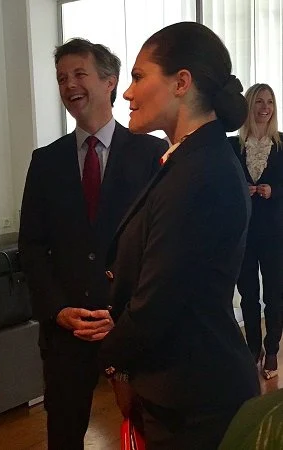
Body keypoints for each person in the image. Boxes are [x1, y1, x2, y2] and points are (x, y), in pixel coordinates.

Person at [98, 22, 261, 450]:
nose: (127, 93)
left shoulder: (202, 171)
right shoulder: (186, 159)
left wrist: (102, 359)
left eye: (137, 77)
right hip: (178, 390)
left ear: (181, 82)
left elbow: (158, 302)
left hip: (197, 401)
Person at [18, 38, 167, 450]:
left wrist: (127, 311)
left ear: (109, 82)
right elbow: (31, 247)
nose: (69, 85)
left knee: (147, 433)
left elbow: (160, 245)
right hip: (68, 332)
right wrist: (58, 310)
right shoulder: (45, 161)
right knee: (63, 435)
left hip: (131, 325)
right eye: (62, 78)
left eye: (79, 74)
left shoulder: (153, 153)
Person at [229, 83, 283, 380]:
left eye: (270, 102)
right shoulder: (231, 145)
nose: (265, 107)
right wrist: (241, 190)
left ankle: (272, 346)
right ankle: (252, 348)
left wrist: (273, 190)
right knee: (248, 294)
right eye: (259, 102)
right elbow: (221, 187)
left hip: (275, 233)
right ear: (249, 107)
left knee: (275, 293)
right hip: (244, 233)